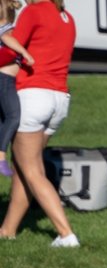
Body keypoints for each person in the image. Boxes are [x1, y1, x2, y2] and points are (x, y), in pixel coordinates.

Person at [0, 0, 75, 246]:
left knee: (33, 171)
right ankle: (8, 230)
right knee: (24, 167)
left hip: (34, 97)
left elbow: (11, 47)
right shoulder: (67, 18)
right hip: (59, 99)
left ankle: (66, 234)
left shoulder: (33, 12)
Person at [0, 0, 35, 176]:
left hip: (5, 80)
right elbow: (6, 38)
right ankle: (0, 157)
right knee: (13, 116)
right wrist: (24, 52)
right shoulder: (7, 30)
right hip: (5, 80)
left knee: (4, 119)